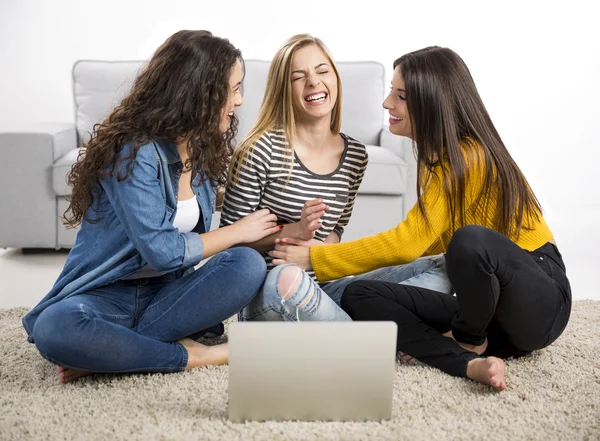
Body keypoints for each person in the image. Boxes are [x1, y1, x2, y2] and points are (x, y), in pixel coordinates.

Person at [272, 46, 571, 390]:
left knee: (469, 240)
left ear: (431, 103)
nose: (387, 104)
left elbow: (409, 241)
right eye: (391, 93)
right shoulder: (438, 158)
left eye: (400, 96)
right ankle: (467, 360)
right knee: (360, 294)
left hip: (540, 303)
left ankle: (467, 338)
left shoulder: (467, 155)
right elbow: (421, 245)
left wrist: (315, 257)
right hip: (492, 316)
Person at [22, 30, 280, 384]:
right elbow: (162, 251)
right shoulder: (133, 151)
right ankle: (196, 356)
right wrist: (236, 232)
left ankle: (112, 354)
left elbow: (208, 240)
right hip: (106, 295)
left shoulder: (202, 149)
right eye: (233, 88)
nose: (238, 101)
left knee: (247, 264)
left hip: (168, 295)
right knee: (56, 328)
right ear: (200, 91)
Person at [220, 34, 451, 322]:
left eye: (322, 71)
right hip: (273, 291)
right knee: (289, 277)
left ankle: (339, 325)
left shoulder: (355, 155)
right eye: (298, 76)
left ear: (335, 79)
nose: (314, 82)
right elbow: (229, 251)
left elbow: (334, 233)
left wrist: (326, 251)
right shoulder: (258, 149)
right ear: (283, 89)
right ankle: (369, 336)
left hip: (326, 287)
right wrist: (294, 231)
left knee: (442, 265)